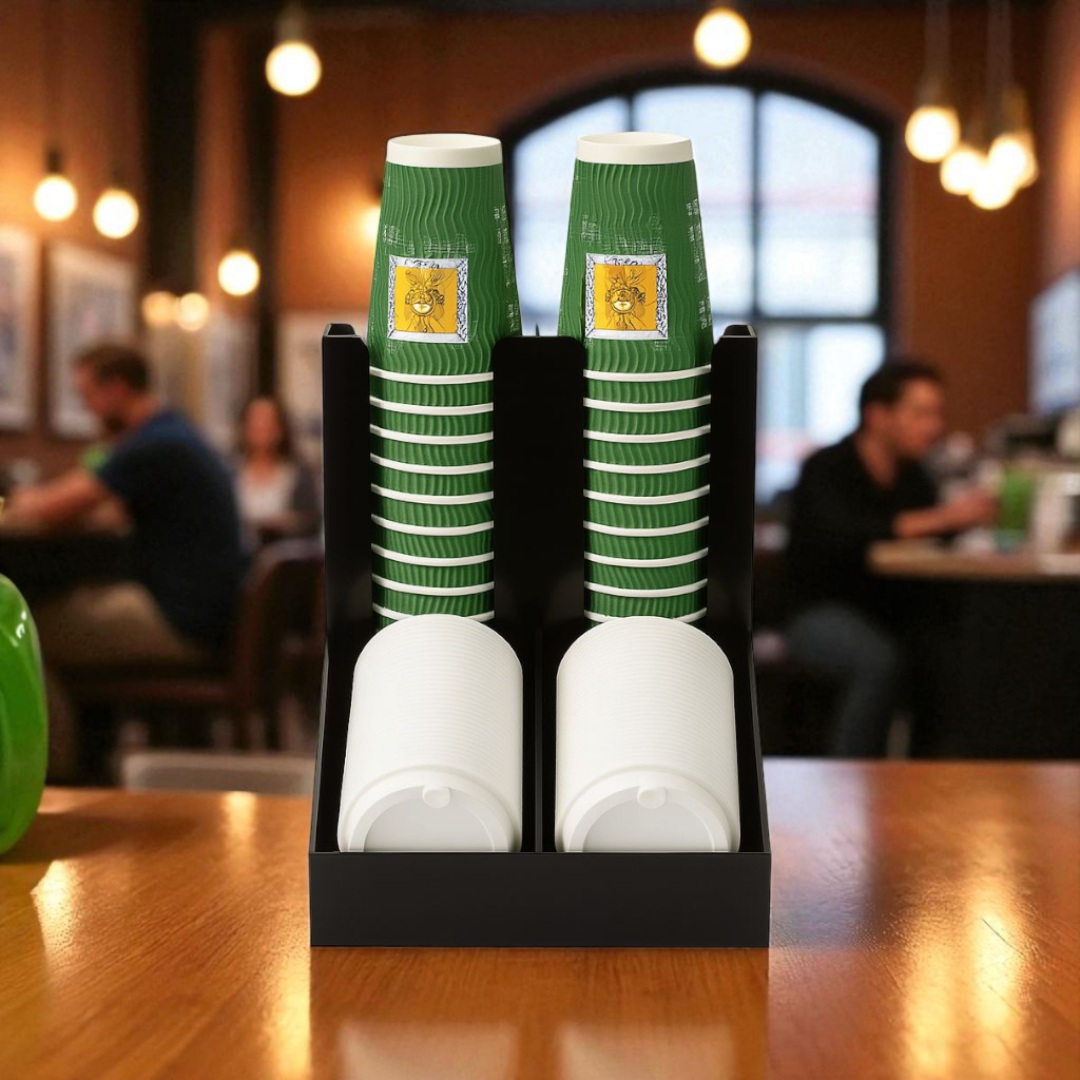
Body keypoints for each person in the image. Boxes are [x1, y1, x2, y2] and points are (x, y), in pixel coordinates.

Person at [6, 343, 243, 775]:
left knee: (24, 632)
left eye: (88, 395)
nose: (87, 409)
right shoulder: (174, 432)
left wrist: (17, 499)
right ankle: (88, 758)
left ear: (116, 388)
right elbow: (107, 510)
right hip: (206, 613)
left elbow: (49, 508)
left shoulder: (154, 443)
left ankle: (59, 775)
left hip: (181, 621)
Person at [783, 359, 996, 757]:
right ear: (878, 416)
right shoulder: (827, 467)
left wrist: (964, 518)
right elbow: (844, 535)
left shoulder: (914, 476)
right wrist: (944, 518)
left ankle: (929, 774)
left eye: (937, 414)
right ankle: (851, 776)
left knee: (950, 654)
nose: (934, 427)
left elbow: (934, 531)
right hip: (815, 612)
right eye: (921, 413)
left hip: (890, 615)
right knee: (878, 661)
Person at [234, 395, 320, 547]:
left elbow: (312, 520)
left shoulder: (298, 473)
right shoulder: (231, 471)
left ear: (280, 428)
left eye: (268, 422)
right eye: (256, 422)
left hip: (285, 553)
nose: (262, 428)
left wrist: (286, 524)